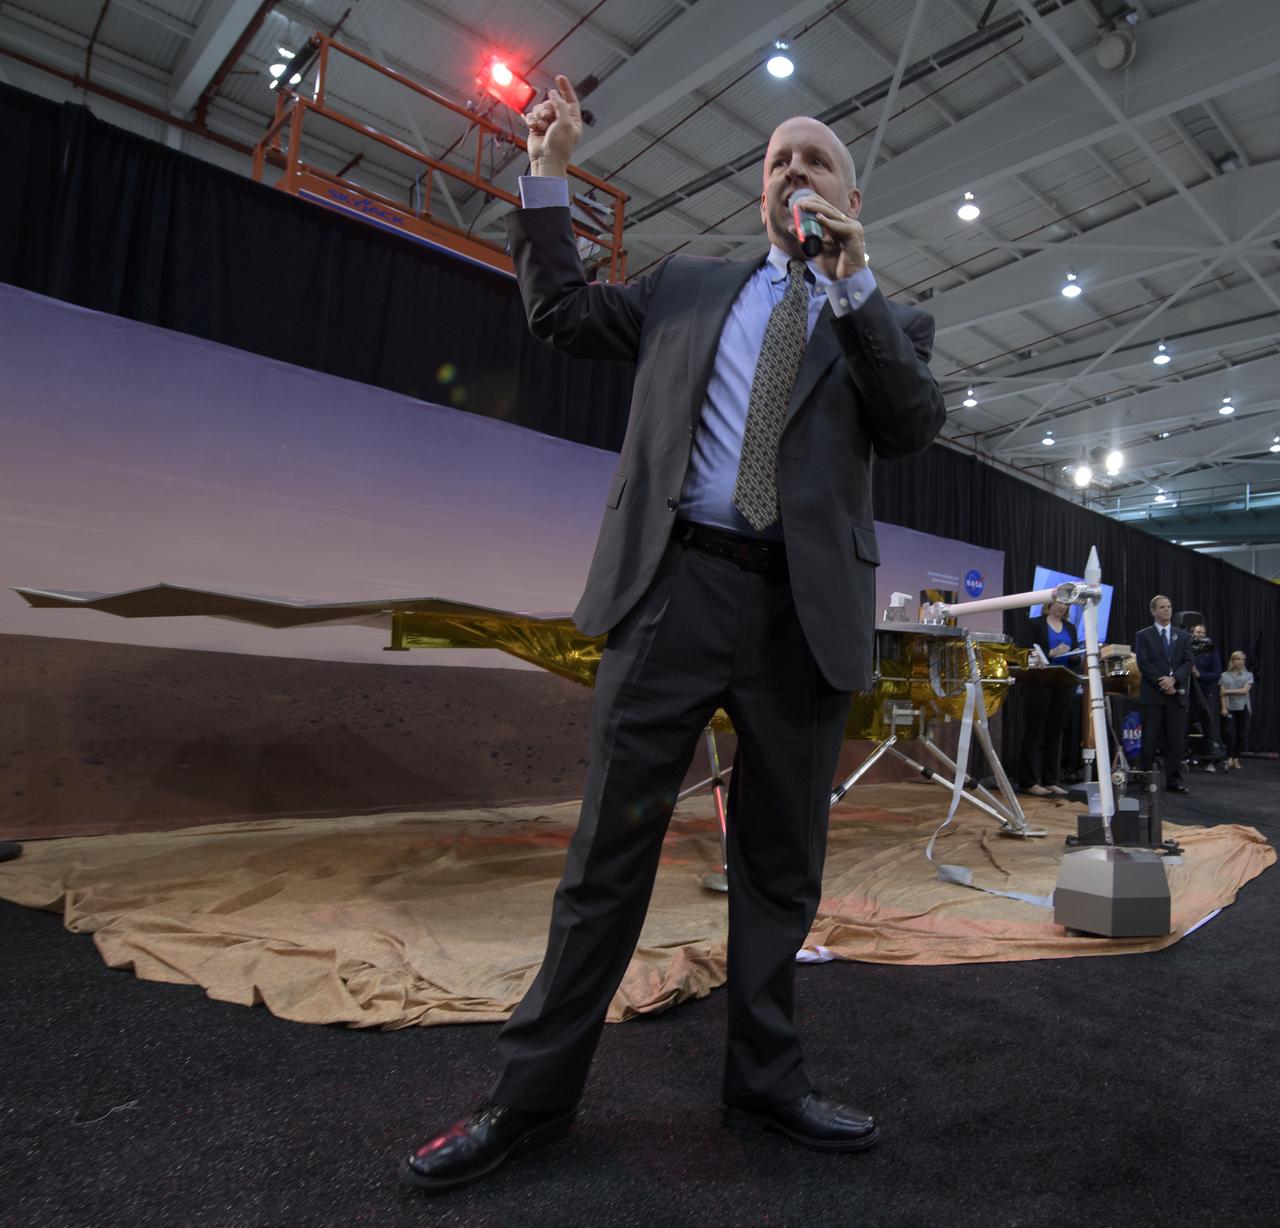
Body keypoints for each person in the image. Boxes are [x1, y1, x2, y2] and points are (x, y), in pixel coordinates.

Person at [400, 76, 945, 1192]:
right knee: (608, 854)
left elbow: (910, 423)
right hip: (672, 591)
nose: (792, 170)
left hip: (800, 617)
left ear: (850, 197)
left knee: (778, 869)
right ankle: (529, 1098)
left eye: (814, 159)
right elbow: (559, 312)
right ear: (759, 194)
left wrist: (854, 286)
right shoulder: (687, 285)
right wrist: (548, 170)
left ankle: (766, 1082)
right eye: (776, 160)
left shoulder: (885, 321)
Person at [1018, 598, 1078, 797]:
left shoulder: (1070, 627)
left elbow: (1075, 658)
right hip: (1039, 682)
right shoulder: (1034, 624)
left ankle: (1050, 780)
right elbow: (1024, 650)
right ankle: (1029, 781)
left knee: (1055, 732)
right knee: (1035, 732)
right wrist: (1050, 652)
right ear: (1050, 604)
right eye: (1060, 603)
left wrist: (1075, 656)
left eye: (1066, 604)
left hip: (1064, 682)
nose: (1063, 607)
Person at [1134, 595, 1191, 794]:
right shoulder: (1144, 635)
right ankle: (1145, 779)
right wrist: (1163, 682)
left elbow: (1188, 663)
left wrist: (1174, 680)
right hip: (1153, 695)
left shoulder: (1183, 636)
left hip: (1176, 695)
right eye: (1162, 607)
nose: (1167, 610)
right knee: (1150, 739)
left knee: (1175, 740)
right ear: (1153, 611)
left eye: (1169, 606)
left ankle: (1174, 781)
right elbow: (1143, 663)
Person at [1187, 622, 1224, 771]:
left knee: (1208, 727)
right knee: (1186, 727)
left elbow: (1217, 673)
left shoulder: (1210, 651)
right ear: (1192, 633)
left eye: (1203, 632)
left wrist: (1200, 675)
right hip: (1188, 695)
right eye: (1198, 632)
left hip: (1206, 694)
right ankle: (1190, 757)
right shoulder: (1187, 649)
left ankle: (1210, 761)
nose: (1200, 635)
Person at [1219, 650, 1254, 770]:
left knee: (1241, 734)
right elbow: (1221, 694)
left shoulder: (1248, 675)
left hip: (1243, 707)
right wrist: (1223, 707)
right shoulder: (1224, 675)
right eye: (1238, 659)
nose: (1240, 662)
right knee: (1229, 733)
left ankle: (1236, 758)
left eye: (1242, 660)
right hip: (1229, 707)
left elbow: (1245, 691)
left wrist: (1227, 691)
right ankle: (1229, 757)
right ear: (1232, 661)